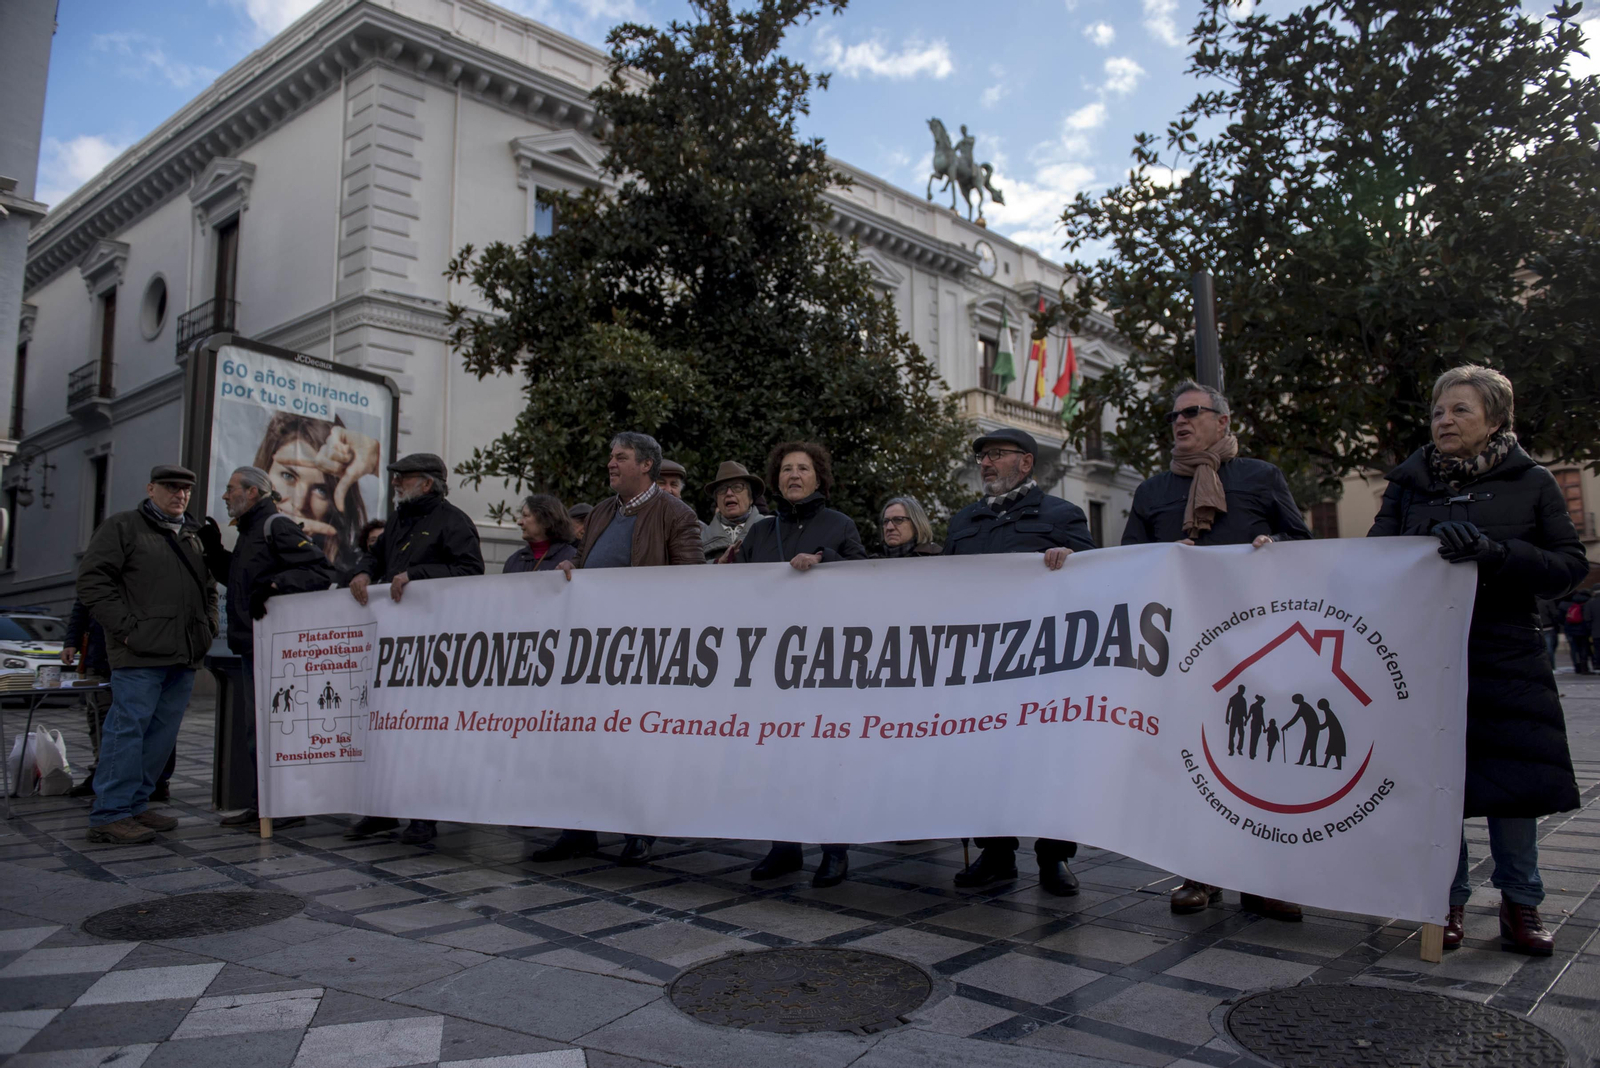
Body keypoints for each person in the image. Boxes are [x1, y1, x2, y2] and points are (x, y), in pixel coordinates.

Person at [1368, 364, 1586, 956]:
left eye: (1461, 410)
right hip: (1429, 655)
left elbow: (1568, 567)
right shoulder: (1408, 484)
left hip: (1507, 650)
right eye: (1439, 410)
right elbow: (1374, 561)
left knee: (1514, 782)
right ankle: (1448, 902)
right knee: (1442, 783)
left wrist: (1497, 554)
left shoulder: (1533, 482)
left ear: (1495, 419)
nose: (1445, 420)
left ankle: (1521, 904)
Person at [1122, 380, 1312, 921]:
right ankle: (1199, 874)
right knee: (1195, 760)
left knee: (1256, 759)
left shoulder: (1259, 477)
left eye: (1192, 413)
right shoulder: (1152, 491)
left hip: (1255, 648)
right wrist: (1162, 557)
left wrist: (1273, 550)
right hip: (1184, 648)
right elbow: (1130, 561)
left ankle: (1262, 877)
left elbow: (1300, 541)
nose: (1180, 423)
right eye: (1174, 417)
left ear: (1223, 422)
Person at [533, 432, 704, 867]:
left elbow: (693, 584)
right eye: (610, 456)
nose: (610, 463)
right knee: (581, 739)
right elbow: (592, 567)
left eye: (620, 457)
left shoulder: (676, 515)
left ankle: (639, 829)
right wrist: (574, 566)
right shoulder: (603, 511)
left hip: (643, 650)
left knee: (633, 744)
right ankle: (578, 830)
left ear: (646, 465)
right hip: (593, 648)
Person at [943, 427, 1093, 897]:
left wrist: (1071, 559)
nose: (986, 463)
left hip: (1043, 666)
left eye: (997, 455)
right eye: (983, 457)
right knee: (984, 760)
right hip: (980, 666)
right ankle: (997, 852)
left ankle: (1054, 858)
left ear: (1025, 463)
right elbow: (938, 587)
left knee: (1050, 761)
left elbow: (1097, 577)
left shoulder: (1062, 515)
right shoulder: (962, 522)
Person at [721, 441, 867, 888]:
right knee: (774, 759)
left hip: (821, 665)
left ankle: (833, 850)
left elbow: (866, 580)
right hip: (767, 665)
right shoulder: (761, 534)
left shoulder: (839, 524)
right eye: (786, 469)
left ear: (818, 477)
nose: (794, 475)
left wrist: (827, 562)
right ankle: (783, 848)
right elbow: (736, 596)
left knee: (821, 760)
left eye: (803, 468)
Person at [346, 453, 485, 845]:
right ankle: (381, 810)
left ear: (426, 483)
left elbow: (470, 572)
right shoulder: (398, 520)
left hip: (432, 647)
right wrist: (361, 572)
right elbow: (376, 558)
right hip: (390, 645)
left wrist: (418, 576)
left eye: (402, 478)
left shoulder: (454, 521)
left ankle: (424, 815)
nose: (395, 483)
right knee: (383, 730)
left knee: (422, 734)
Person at [76, 465, 218, 844]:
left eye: (186, 489)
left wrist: (209, 627)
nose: (180, 494)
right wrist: (126, 630)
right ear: (151, 487)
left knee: (160, 737)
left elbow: (209, 589)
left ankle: (136, 805)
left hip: (184, 654)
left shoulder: (193, 536)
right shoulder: (123, 527)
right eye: (172, 487)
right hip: (138, 655)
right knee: (127, 731)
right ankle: (110, 812)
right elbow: (92, 581)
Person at [198, 466, 338, 830]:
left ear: (254, 493)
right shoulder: (249, 532)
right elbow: (241, 581)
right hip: (251, 645)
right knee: (257, 731)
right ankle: (267, 804)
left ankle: (281, 806)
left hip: (275, 650)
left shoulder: (274, 526)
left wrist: (275, 585)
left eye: (231, 489)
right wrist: (215, 551)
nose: (226, 496)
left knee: (269, 730)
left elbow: (320, 572)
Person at [253, 413, 377, 571]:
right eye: (288, 476)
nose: (299, 503)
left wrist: (376, 462)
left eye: (321, 490)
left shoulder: (346, 569)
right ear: (266, 469)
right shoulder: (228, 541)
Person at [63, 598, 113, 797]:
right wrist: (71, 643)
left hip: (120, 658)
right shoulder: (94, 574)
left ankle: (108, 775)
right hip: (96, 657)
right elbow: (81, 608)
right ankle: (100, 770)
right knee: (97, 717)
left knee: (109, 720)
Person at [700, 462, 767, 563]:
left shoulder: (769, 529)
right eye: (722, 489)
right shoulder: (701, 538)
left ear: (751, 498)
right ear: (717, 500)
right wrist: (717, 563)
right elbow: (692, 572)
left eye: (737, 487)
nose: (729, 493)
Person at [504, 494, 580, 573]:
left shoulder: (571, 559)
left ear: (545, 520)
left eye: (526, 516)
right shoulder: (514, 560)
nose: (519, 522)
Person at [875, 496, 942, 558]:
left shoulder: (939, 558)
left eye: (898, 520)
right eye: (886, 521)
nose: (889, 527)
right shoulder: (872, 562)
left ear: (916, 524)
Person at [1284, 694, 1322, 766]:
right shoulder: (1303, 706)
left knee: (1309, 745)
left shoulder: (1304, 707)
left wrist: (1286, 726)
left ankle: (1305, 761)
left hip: (1313, 729)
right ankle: (1309, 761)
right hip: (1313, 729)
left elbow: (1295, 718)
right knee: (1310, 745)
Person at [1561, 590, 1592, 674]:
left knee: (1574, 649)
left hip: (1571, 630)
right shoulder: (1586, 604)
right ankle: (1584, 668)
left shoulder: (1570, 605)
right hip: (1583, 631)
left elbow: (1561, 618)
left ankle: (1576, 666)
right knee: (1584, 649)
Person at [1317, 699, 1346, 770]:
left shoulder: (1328, 712)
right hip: (1335, 733)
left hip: (1336, 734)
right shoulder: (1328, 711)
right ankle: (1328, 765)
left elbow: (1327, 722)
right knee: (1333, 750)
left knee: (1333, 750)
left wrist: (1319, 727)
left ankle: (1329, 765)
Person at [1536, 597, 1564, 669]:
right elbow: (1554, 613)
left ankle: (1545, 666)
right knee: (1550, 648)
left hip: (1537, 627)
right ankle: (1551, 666)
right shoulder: (1547, 601)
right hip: (1548, 626)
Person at [1225, 684, 1248, 756]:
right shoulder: (1233, 698)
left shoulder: (1243, 700)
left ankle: (1239, 748)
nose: (1244, 692)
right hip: (1234, 719)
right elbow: (1229, 708)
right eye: (1243, 690)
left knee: (1241, 734)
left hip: (1240, 719)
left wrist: (1246, 719)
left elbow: (1245, 711)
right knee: (1232, 735)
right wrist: (1226, 718)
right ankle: (1231, 750)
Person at [1246, 694, 1266, 760]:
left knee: (1255, 740)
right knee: (1253, 739)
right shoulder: (1253, 706)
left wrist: (1264, 726)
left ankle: (1253, 753)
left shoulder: (1261, 708)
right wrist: (1246, 721)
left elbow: (1262, 718)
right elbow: (1249, 715)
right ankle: (1251, 753)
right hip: (1254, 724)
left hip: (1258, 725)